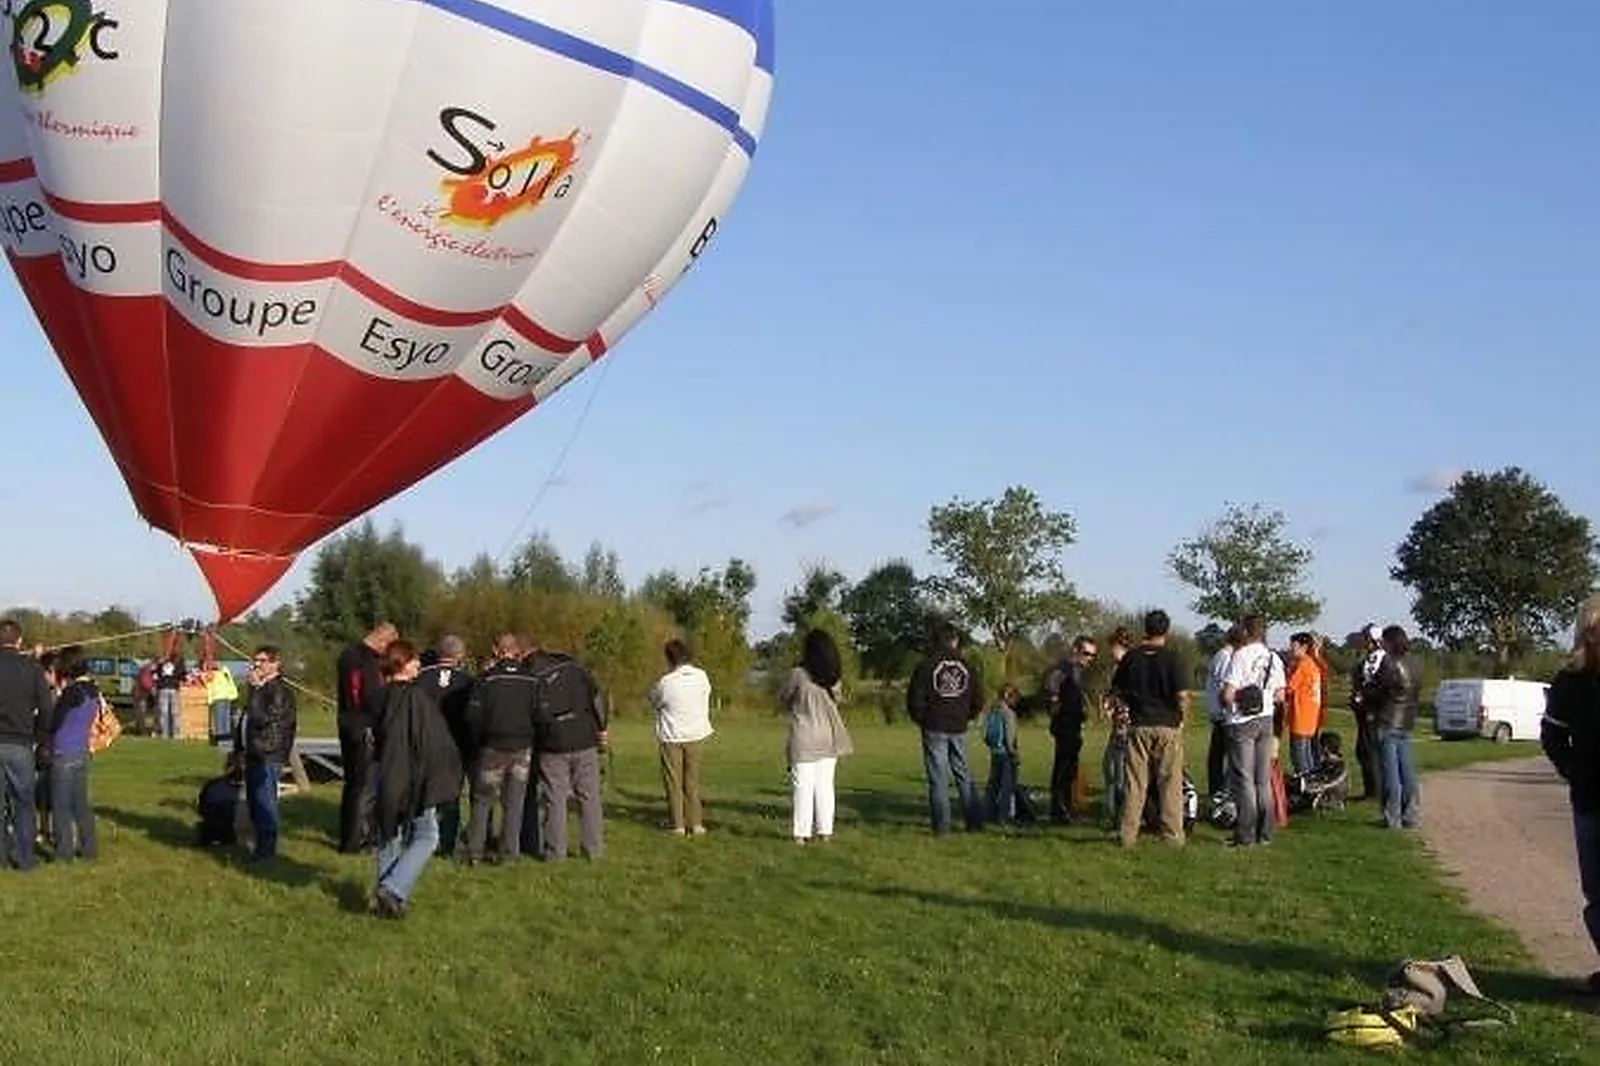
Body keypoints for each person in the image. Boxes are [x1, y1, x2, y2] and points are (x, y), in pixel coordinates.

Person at [371, 639, 463, 919]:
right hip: (411, 777)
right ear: (402, 663)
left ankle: (386, 901)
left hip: (386, 774)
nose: (419, 665)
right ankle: (393, 887)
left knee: (390, 835)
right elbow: (431, 743)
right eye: (414, 661)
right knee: (427, 836)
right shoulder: (415, 698)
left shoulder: (380, 696)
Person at [1541, 595, 1600, 995]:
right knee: (1597, 894)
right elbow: (1552, 733)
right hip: (1591, 797)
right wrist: (1572, 768)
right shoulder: (1572, 682)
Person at [1110, 610, 1190, 847]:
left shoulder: (1131, 658)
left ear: (1145, 628)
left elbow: (1117, 693)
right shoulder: (1172, 658)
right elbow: (1183, 695)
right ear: (1166, 630)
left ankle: (1128, 835)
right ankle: (1173, 835)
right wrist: (1182, 720)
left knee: (1135, 783)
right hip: (1167, 726)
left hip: (1139, 725)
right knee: (1170, 783)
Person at [528, 638, 608, 862]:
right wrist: (602, 728)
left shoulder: (533, 676)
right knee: (589, 796)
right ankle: (593, 849)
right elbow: (598, 699)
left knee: (555, 797)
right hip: (584, 738)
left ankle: (556, 853)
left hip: (553, 744)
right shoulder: (576, 669)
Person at [463, 634, 538, 865]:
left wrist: (479, 740)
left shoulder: (485, 680)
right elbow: (541, 716)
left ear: (496, 650)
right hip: (522, 748)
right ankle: (508, 854)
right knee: (514, 802)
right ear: (516, 651)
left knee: (483, 800)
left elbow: (472, 716)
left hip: (491, 747)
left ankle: (475, 851)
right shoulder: (532, 680)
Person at [906, 621, 984, 835]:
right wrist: (967, 716)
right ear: (955, 640)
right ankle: (974, 822)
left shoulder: (926, 665)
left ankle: (942, 827)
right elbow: (978, 697)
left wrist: (922, 719)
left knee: (938, 778)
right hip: (958, 726)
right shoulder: (967, 666)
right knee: (964, 774)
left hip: (933, 726)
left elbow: (914, 698)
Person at [780, 628, 853, 844]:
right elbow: (838, 700)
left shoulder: (798, 674)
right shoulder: (833, 677)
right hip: (829, 736)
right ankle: (825, 831)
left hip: (804, 735)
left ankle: (801, 833)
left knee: (803, 786)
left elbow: (784, 697)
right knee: (825, 786)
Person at [1220, 615, 1286, 848]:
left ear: (1246, 632)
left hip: (1242, 720)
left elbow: (1228, 693)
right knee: (1262, 779)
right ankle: (1265, 832)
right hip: (1266, 718)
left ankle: (1245, 833)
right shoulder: (1273, 657)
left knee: (1244, 779)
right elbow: (1280, 695)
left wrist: (1231, 704)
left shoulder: (1240, 656)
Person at [334, 621, 396, 853]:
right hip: (364, 729)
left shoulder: (347, 655)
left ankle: (352, 835)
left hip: (349, 724)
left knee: (353, 785)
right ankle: (358, 838)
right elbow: (367, 696)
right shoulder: (366, 661)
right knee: (365, 786)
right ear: (383, 640)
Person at [235, 645, 297, 862]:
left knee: (265, 803)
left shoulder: (277, 690)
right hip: (255, 752)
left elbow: (262, 719)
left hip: (268, 753)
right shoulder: (263, 689)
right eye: (255, 660)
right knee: (255, 802)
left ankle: (266, 852)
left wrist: (256, 690)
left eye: (262, 661)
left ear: (274, 663)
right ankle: (257, 845)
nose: (257, 665)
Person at [646, 639, 714, 837]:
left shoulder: (666, 682)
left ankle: (678, 825)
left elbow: (654, 700)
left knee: (674, 782)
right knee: (692, 781)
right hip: (696, 734)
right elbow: (705, 696)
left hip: (672, 736)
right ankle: (697, 823)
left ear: (669, 658)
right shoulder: (702, 676)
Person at [416, 635, 475, 857]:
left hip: (425, 744)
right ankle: (447, 841)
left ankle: (422, 838)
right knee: (451, 795)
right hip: (455, 746)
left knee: (423, 792)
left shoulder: (421, 678)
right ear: (459, 656)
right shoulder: (467, 681)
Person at [0, 619, 51, 871]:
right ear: (19, 641)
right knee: (23, 803)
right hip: (20, 742)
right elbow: (46, 707)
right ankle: (24, 857)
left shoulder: (31, 666)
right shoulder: (32, 668)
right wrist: (42, 739)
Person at [44, 647, 100, 862]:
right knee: (81, 804)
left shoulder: (72, 692)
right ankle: (89, 848)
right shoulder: (92, 690)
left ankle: (64, 851)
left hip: (63, 751)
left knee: (61, 806)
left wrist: (57, 695)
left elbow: (54, 722)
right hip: (81, 751)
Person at [1364, 624, 1421, 830]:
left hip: (1388, 720)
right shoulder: (1415, 663)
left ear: (1389, 642)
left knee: (1389, 772)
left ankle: (1392, 816)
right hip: (1406, 720)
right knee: (1407, 770)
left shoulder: (1389, 663)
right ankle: (1411, 814)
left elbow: (1378, 690)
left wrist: (1364, 695)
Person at [1048, 636, 1096, 824]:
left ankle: (1063, 810)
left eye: (1093, 655)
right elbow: (1051, 688)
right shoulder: (1064, 669)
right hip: (1065, 726)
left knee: (1069, 770)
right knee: (1063, 770)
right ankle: (1060, 812)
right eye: (1086, 653)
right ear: (1075, 650)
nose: (1089, 659)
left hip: (1073, 726)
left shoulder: (1076, 672)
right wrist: (1057, 710)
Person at [1205, 625, 1243, 802]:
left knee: (1221, 754)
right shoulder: (1225, 657)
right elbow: (1223, 686)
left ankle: (1221, 790)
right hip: (1223, 714)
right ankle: (1219, 791)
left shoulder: (1224, 656)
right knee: (1221, 756)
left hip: (1221, 714)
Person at [1348, 624, 1385, 802]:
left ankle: (1375, 790)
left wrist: (1364, 696)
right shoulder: (1368, 659)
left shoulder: (1381, 660)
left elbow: (1378, 686)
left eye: (1364, 638)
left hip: (1374, 712)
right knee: (1363, 750)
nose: (1361, 641)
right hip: (1364, 711)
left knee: (1369, 750)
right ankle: (1370, 788)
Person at [1285, 633, 1324, 776]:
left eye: (1294, 646)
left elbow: (1289, 687)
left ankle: (1306, 787)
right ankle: (1313, 782)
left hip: (1301, 716)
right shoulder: (1312, 664)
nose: (1290, 649)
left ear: (1304, 647)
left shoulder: (1302, 665)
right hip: (1311, 716)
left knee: (1298, 756)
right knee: (1307, 753)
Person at [984, 683, 1022, 825]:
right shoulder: (1009, 714)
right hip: (1006, 754)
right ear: (1008, 697)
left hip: (995, 751)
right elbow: (1009, 736)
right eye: (1015, 697)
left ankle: (987, 812)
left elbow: (986, 734)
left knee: (993, 785)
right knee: (1007, 787)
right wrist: (1013, 753)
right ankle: (1005, 816)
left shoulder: (993, 711)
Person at [204, 660, 239, 746]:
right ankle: (225, 739)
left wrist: (209, 700)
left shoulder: (222, 673)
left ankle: (222, 739)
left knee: (221, 720)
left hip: (221, 697)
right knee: (223, 719)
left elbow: (210, 687)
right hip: (224, 697)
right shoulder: (222, 673)